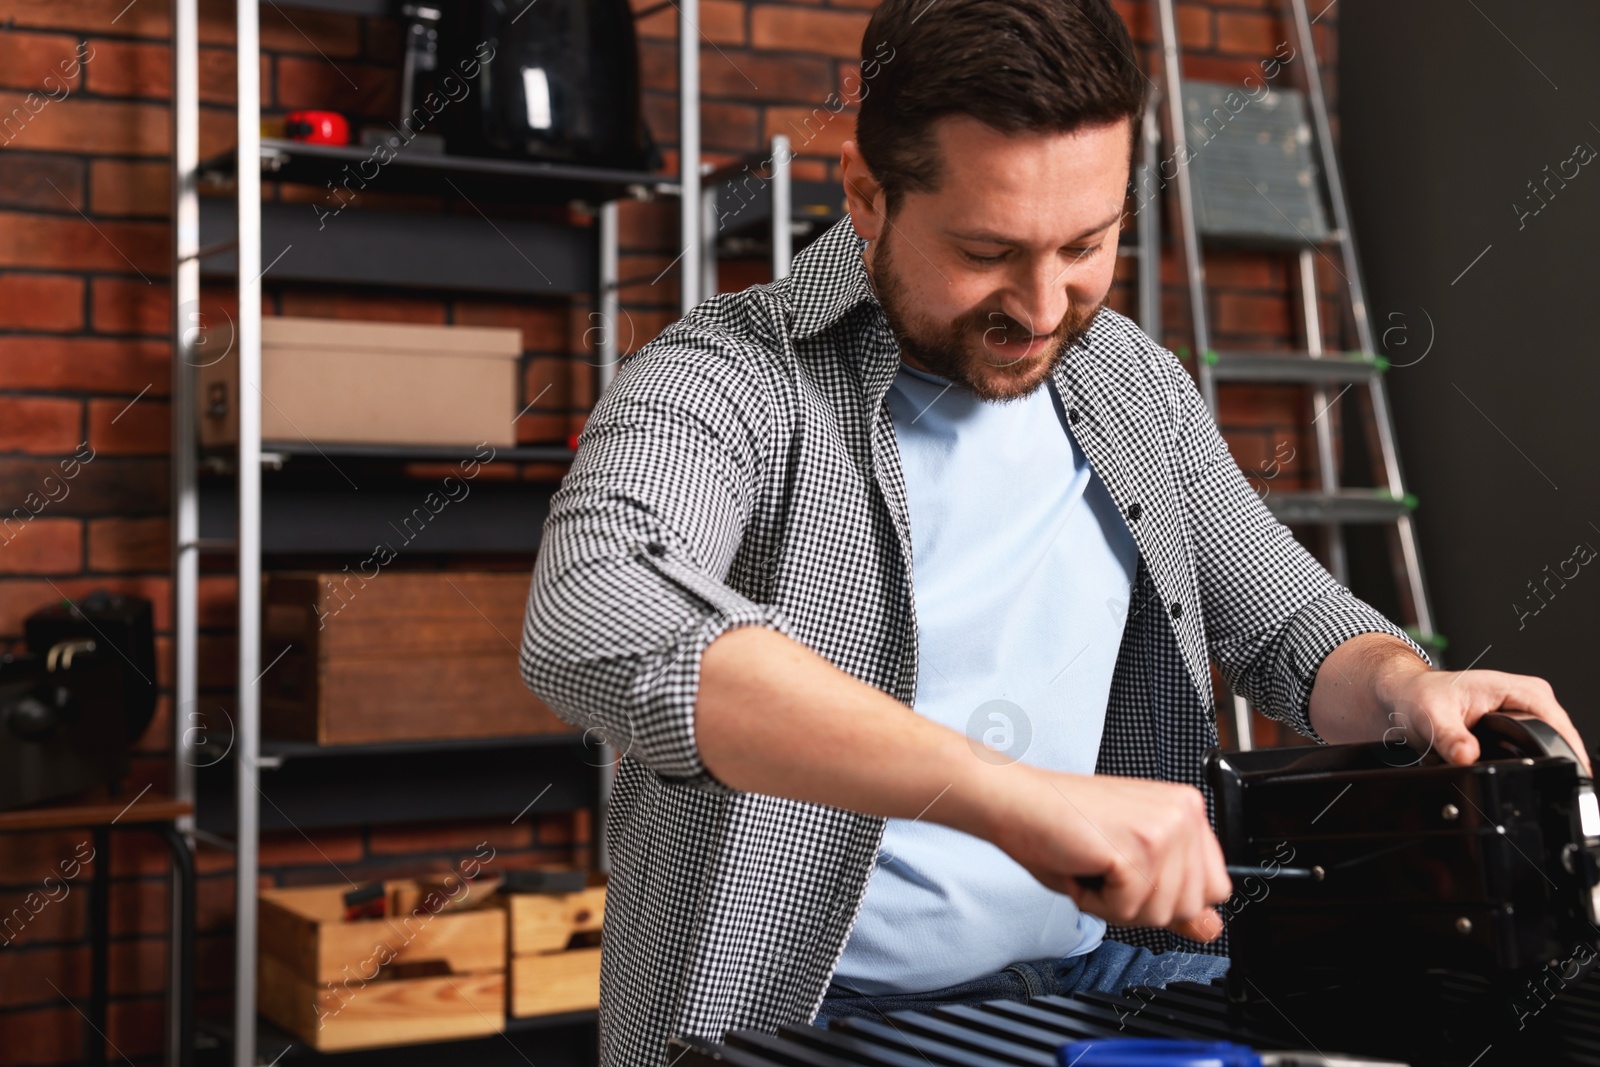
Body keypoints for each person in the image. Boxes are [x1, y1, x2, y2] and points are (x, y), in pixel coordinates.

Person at [518, 0, 1590, 1063]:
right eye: (987, 249)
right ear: (864, 197)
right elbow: (596, 609)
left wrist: (1409, 684)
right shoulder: (729, 376)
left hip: (1120, 980)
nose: (1040, 304)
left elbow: (1292, 626)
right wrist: (1018, 803)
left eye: (1086, 242)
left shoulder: (1131, 380)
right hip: (811, 1007)